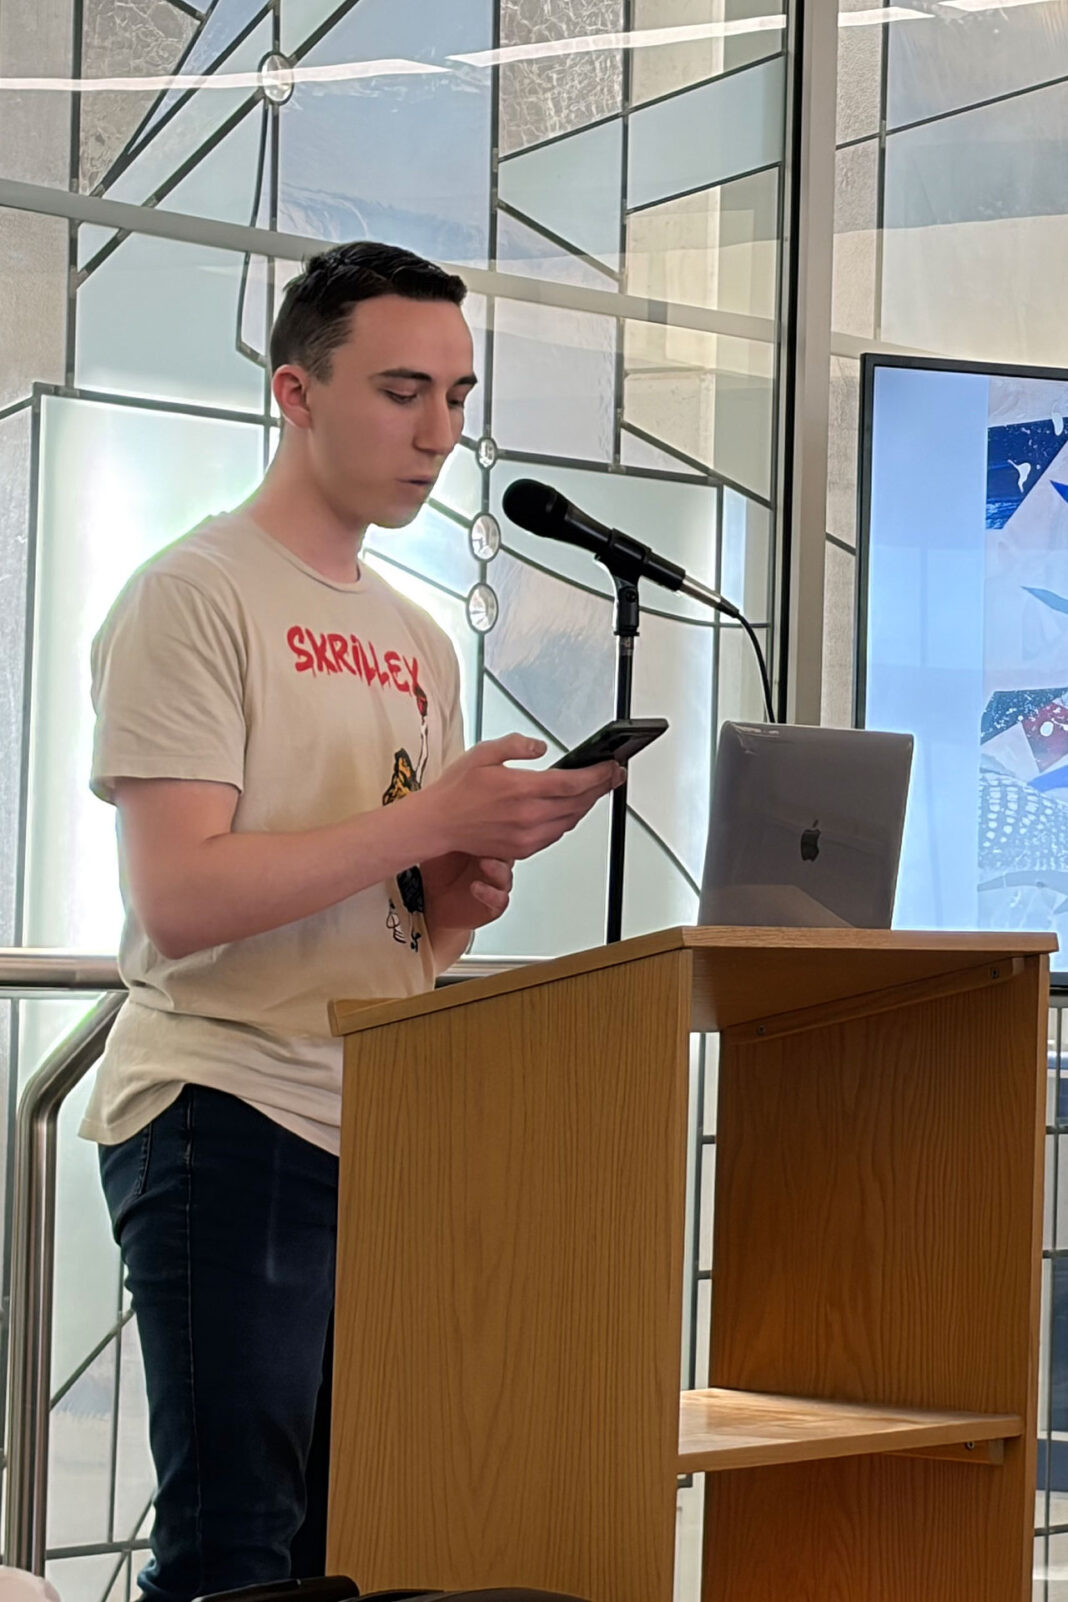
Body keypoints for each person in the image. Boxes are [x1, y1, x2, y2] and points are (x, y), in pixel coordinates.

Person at [82, 240, 622, 1602]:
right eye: (399, 391)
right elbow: (181, 895)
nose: (438, 433)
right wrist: (425, 823)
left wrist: (464, 884)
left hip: (378, 1115)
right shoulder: (193, 596)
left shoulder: (420, 635)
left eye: (456, 394)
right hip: (223, 1105)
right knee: (236, 1547)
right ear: (296, 393)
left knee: (359, 1534)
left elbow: (400, 926)